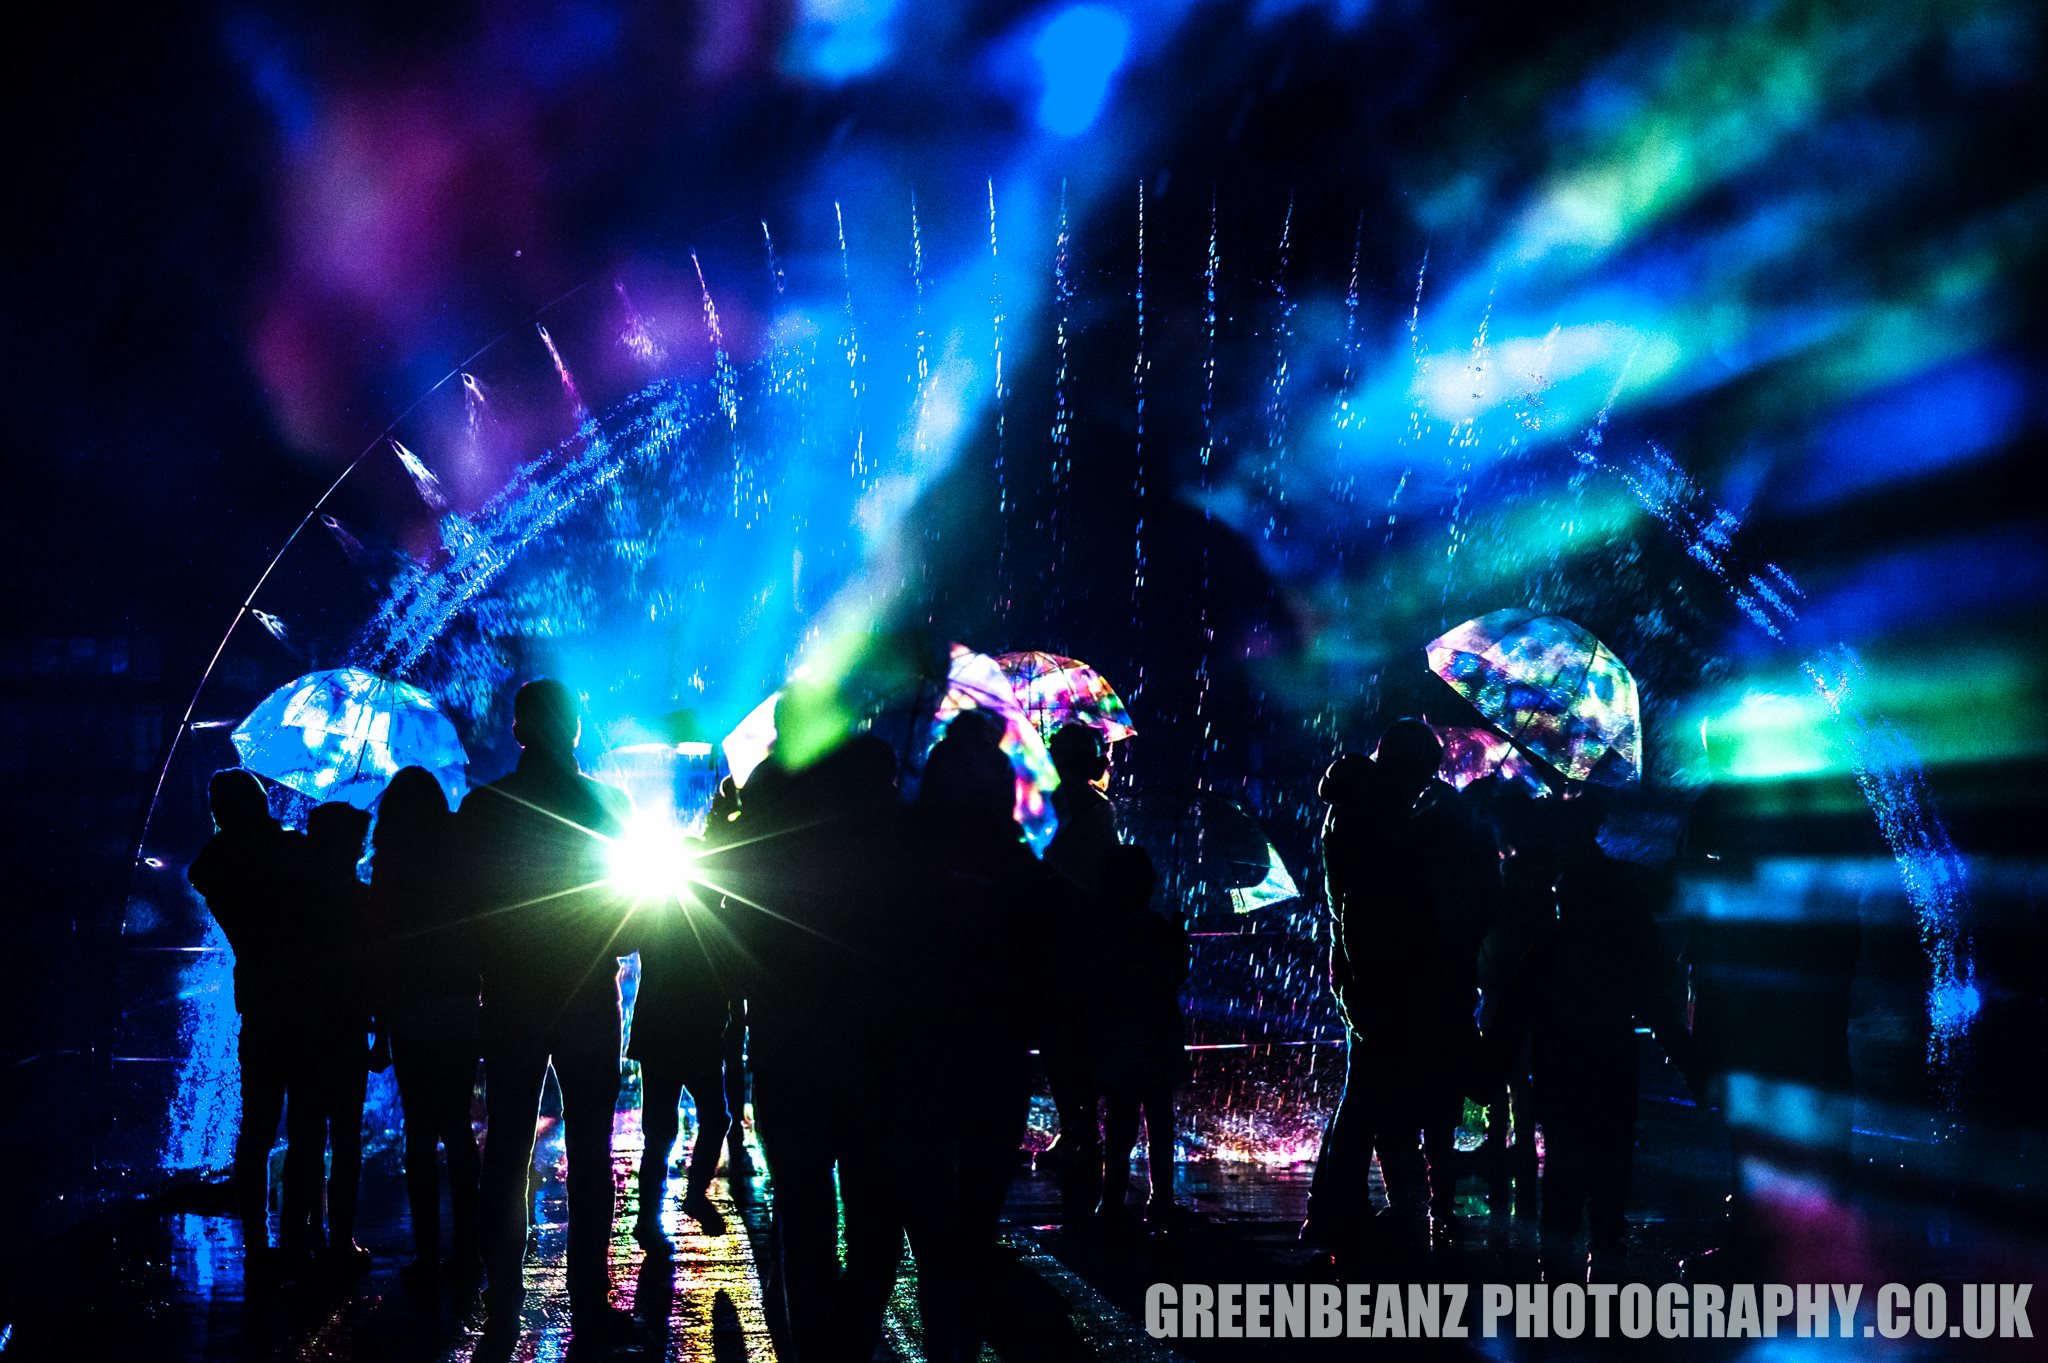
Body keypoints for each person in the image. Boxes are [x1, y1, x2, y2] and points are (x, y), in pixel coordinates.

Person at [720, 711, 905, 1363]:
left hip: (788, 1043)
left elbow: (730, 948)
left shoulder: (766, 816)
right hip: (877, 1046)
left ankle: (821, 1344)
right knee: (878, 1214)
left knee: (804, 1217)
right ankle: (852, 1335)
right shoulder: (882, 820)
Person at [460, 679, 638, 1341]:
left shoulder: (484, 808)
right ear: (573, 729)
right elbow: (634, 912)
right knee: (593, 1148)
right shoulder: (607, 803)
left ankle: (501, 1287)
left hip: (509, 993)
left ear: (518, 730)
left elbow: (465, 908)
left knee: (506, 1141)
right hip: (589, 989)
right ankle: (590, 1295)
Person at [890, 713, 1051, 1363]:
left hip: (915, 1049)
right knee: (977, 1210)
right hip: (994, 1048)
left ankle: (940, 1331)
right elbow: (1045, 961)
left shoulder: (901, 858)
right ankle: (958, 1332)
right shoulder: (1016, 866)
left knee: (926, 1208)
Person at [1302, 719, 1492, 1262]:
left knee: (1367, 1092)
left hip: (1364, 968)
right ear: (1407, 767)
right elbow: (1387, 887)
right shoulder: (1373, 811)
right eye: (1424, 772)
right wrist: (1451, 824)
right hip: (1378, 972)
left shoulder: (1362, 802)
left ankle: (1337, 1205)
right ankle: (1335, 1208)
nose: (1426, 783)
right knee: (1367, 1096)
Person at [1526, 790, 1695, 1282]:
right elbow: (1650, 974)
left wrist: (1489, 1057)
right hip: (1608, 1046)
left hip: (1561, 1050)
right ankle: (1605, 1247)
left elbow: (1523, 988)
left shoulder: (1550, 904)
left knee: (1563, 1158)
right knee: (1610, 1151)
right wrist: (1683, 1052)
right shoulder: (1617, 887)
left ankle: (1558, 1263)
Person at [188, 769, 307, 1278]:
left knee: (256, 1125)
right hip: (306, 996)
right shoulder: (287, 851)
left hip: (258, 996)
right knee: (306, 1122)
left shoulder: (217, 865)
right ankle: (298, 1234)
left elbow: (204, 869)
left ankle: (257, 1240)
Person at [368, 766, 482, 1292]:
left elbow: (382, 950)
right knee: (458, 1128)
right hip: (460, 1002)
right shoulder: (460, 857)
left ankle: (427, 1251)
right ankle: (469, 1247)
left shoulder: (390, 866)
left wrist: (379, 1027)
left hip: (410, 1007)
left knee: (419, 1131)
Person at [280, 801, 376, 1274]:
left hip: (302, 1031)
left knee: (305, 1136)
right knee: (344, 1140)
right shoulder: (362, 901)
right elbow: (375, 974)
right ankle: (340, 1238)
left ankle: (299, 1234)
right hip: (346, 1032)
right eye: (358, 840)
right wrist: (381, 1035)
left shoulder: (293, 902)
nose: (362, 848)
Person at [629, 853, 734, 1248]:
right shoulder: (714, 914)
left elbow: (627, 942)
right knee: (713, 1116)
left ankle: (647, 1218)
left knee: (659, 1130)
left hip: (660, 1033)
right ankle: (692, 1196)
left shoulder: (658, 912)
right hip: (699, 1032)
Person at [1039, 722, 1121, 1201]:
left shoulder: (1049, 806)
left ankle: (1079, 1135)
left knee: (1061, 1043)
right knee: (1077, 1043)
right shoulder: (1098, 808)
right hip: (1087, 935)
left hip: (1056, 935)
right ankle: (1081, 1134)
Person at [1091, 844, 1189, 1231]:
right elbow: (1172, 977)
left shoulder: (1102, 929)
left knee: (1120, 1122)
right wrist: (1177, 940)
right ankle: (1160, 1199)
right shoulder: (1153, 928)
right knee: (1160, 1121)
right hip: (1155, 1037)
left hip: (1119, 1039)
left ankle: (1110, 1201)